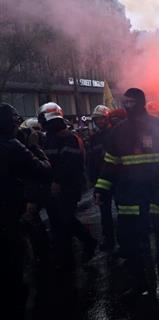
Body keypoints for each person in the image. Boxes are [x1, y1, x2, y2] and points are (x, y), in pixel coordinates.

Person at [94, 88, 159, 296]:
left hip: (156, 194)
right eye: (125, 101)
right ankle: (139, 282)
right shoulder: (118, 131)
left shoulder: (158, 126)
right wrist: (101, 188)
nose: (128, 105)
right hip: (129, 197)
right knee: (131, 243)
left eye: (131, 101)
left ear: (141, 102)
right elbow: (110, 164)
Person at [0, 103, 50, 318]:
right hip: (10, 216)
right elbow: (44, 170)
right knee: (15, 267)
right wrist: (34, 146)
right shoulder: (13, 146)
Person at [39, 102, 97, 268]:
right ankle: (63, 254)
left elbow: (69, 164)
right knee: (57, 221)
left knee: (65, 219)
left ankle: (86, 242)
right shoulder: (48, 138)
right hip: (53, 187)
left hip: (68, 187)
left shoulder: (68, 137)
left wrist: (57, 181)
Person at [87, 105, 116, 251]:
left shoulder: (116, 133)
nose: (99, 122)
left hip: (117, 178)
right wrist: (93, 180)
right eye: (96, 119)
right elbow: (91, 160)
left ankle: (127, 240)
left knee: (123, 209)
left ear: (107, 118)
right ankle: (109, 240)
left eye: (101, 119)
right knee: (104, 213)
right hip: (102, 179)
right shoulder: (94, 138)